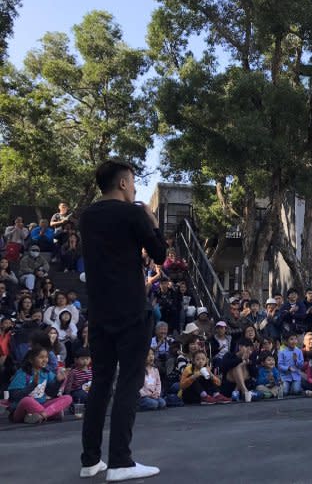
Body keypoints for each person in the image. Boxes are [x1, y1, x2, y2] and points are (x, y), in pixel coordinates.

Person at [79, 159, 166, 481]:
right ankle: (120, 461)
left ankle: (90, 460)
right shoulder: (132, 213)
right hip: (130, 308)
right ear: (123, 183)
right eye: (132, 182)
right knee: (130, 381)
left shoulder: (87, 217)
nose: (134, 189)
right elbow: (159, 255)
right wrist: (152, 222)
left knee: (101, 382)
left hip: (100, 311)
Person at [7, 344, 71, 423]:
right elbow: (14, 396)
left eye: (46, 357)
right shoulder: (23, 373)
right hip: (23, 410)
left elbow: (51, 393)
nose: (45, 360)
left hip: (41, 405)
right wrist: (33, 385)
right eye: (41, 357)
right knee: (27, 400)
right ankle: (48, 414)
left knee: (68, 398)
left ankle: (41, 416)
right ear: (31, 360)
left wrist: (58, 381)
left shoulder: (46, 372)